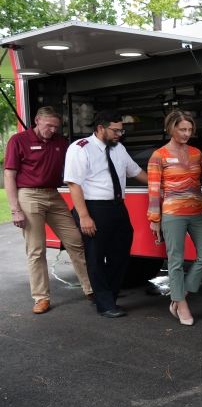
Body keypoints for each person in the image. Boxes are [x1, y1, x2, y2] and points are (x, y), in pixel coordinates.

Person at [3, 106, 93, 314]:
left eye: (55, 126)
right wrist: (15, 208)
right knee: (36, 249)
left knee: (75, 241)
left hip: (53, 194)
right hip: (28, 195)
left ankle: (91, 288)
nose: (52, 130)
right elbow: (9, 175)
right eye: (48, 125)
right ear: (37, 120)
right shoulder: (18, 141)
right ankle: (41, 298)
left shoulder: (61, 143)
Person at [63, 110, 148, 318]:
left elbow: (136, 172)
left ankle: (109, 295)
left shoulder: (118, 148)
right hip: (93, 208)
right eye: (116, 130)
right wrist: (84, 216)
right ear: (101, 128)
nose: (120, 134)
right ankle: (105, 303)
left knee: (121, 253)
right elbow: (74, 184)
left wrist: (162, 185)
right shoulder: (80, 148)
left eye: (121, 130)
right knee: (96, 256)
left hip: (117, 207)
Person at [147, 110, 202, 326]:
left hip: (198, 212)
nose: (187, 133)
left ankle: (180, 294)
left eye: (189, 129)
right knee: (175, 261)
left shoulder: (196, 153)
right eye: (182, 129)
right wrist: (154, 219)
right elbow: (154, 191)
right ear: (171, 129)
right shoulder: (159, 156)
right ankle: (181, 303)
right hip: (172, 214)